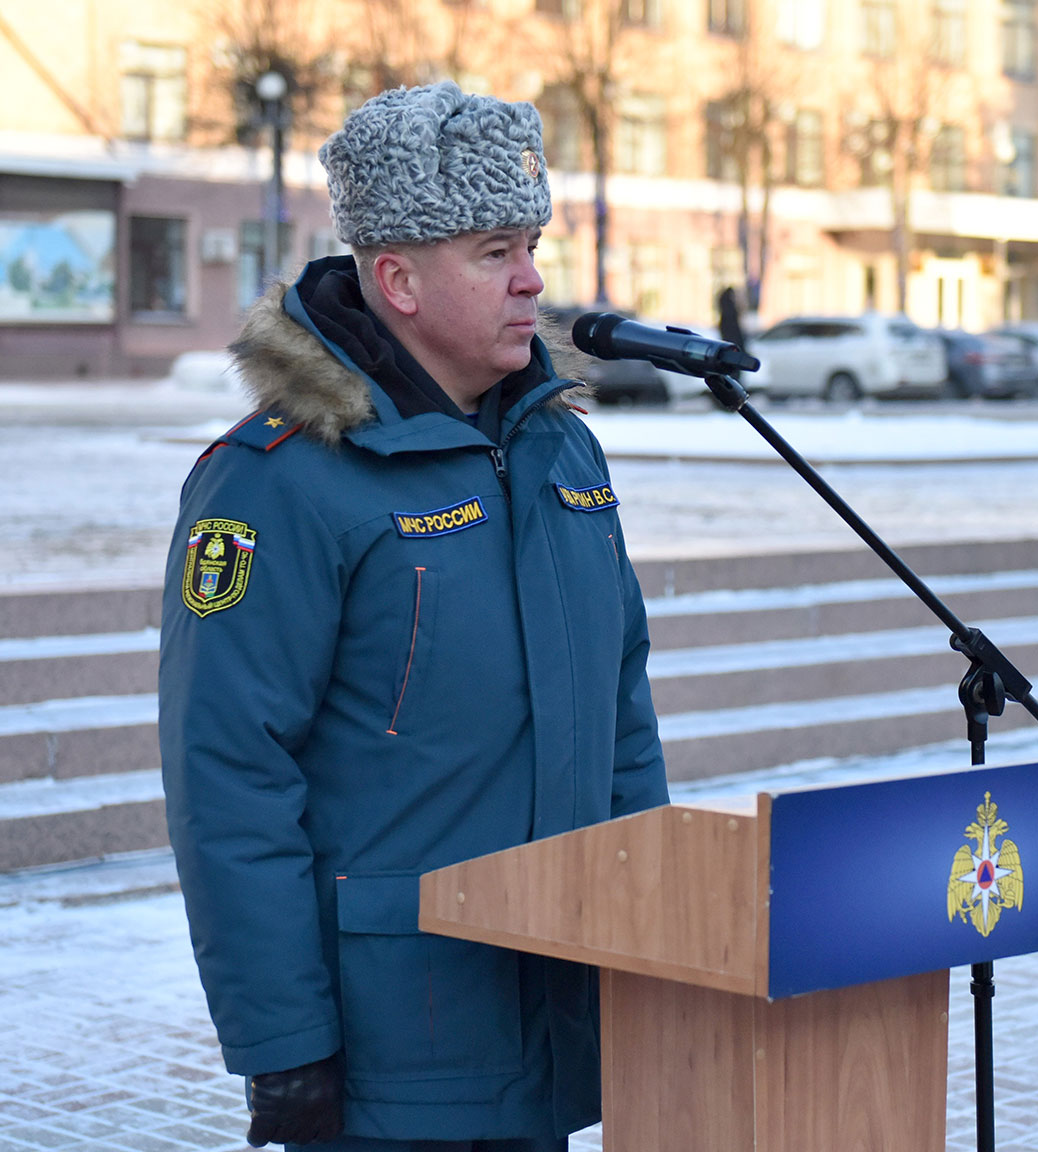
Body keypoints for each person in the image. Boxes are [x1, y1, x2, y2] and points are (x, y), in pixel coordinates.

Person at [157, 81, 668, 1152]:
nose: (533, 280)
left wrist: (650, 934)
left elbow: (622, 719)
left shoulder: (561, 449)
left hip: (553, 1017)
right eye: (494, 253)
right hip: (390, 1055)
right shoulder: (278, 480)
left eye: (531, 246)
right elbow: (231, 776)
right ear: (397, 279)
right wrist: (282, 1039)